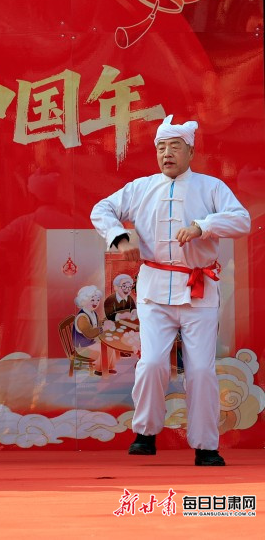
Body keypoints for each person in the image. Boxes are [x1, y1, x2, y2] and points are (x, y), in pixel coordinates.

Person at [91, 115, 250, 466]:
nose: (167, 154)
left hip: (198, 290)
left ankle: (206, 445)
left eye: (175, 147)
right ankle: (145, 433)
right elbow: (101, 209)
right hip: (154, 290)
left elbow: (242, 220)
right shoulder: (141, 187)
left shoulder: (211, 187)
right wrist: (119, 237)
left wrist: (203, 226)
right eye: (161, 147)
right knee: (151, 364)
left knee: (201, 370)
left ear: (190, 152)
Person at [71, 285, 115, 372]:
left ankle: (108, 367)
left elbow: (97, 324)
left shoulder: (92, 313)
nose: (96, 302)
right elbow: (89, 333)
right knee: (105, 348)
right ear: (83, 301)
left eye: (98, 300)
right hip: (83, 347)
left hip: (91, 342)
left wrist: (104, 323)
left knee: (110, 345)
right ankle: (100, 369)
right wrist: (103, 328)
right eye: (92, 300)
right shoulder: (82, 317)